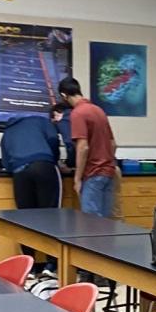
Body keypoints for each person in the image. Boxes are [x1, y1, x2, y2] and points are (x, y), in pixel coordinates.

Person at [0, 108, 63, 274]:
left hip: (19, 172)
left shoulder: (7, 131)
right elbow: (52, 139)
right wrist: (54, 160)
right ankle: (51, 265)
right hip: (43, 166)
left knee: (25, 219)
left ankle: (29, 266)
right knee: (51, 217)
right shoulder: (42, 121)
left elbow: (6, 163)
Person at [57, 76, 117, 217]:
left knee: (91, 226)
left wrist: (77, 179)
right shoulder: (98, 110)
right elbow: (113, 144)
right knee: (105, 225)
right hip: (108, 173)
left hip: (93, 175)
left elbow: (83, 147)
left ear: (64, 95)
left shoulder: (77, 113)